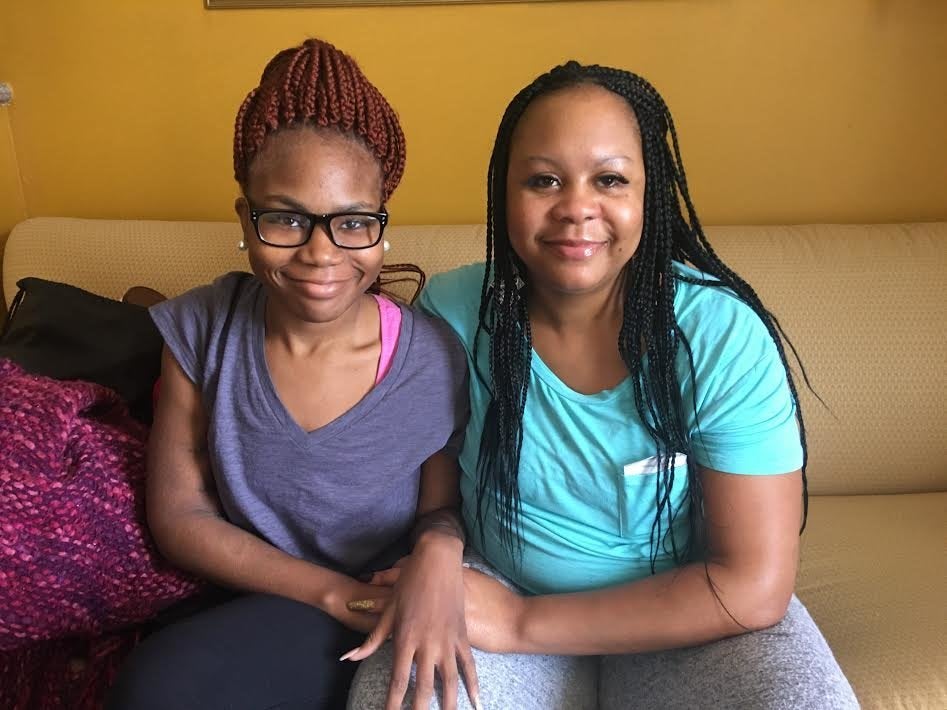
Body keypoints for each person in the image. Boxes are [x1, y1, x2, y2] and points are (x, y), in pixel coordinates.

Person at [346, 61, 859, 709]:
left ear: (649, 195)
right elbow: (429, 488)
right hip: (495, 581)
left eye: (609, 179)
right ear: (503, 194)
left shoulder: (716, 334)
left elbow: (751, 586)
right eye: (543, 180)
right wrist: (438, 549)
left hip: (683, 607)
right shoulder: (451, 314)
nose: (576, 208)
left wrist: (517, 624)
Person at [107, 38, 478, 710]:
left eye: (351, 223)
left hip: (389, 602)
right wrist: (335, 595)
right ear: (245, 220)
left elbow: (440, 510)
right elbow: (180, 514)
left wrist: (437, 559)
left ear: (380, 228)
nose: (319, 253)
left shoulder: (431, 357)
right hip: (260, 597)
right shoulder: (201, 329)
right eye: (285, 218)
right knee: (158, 688)